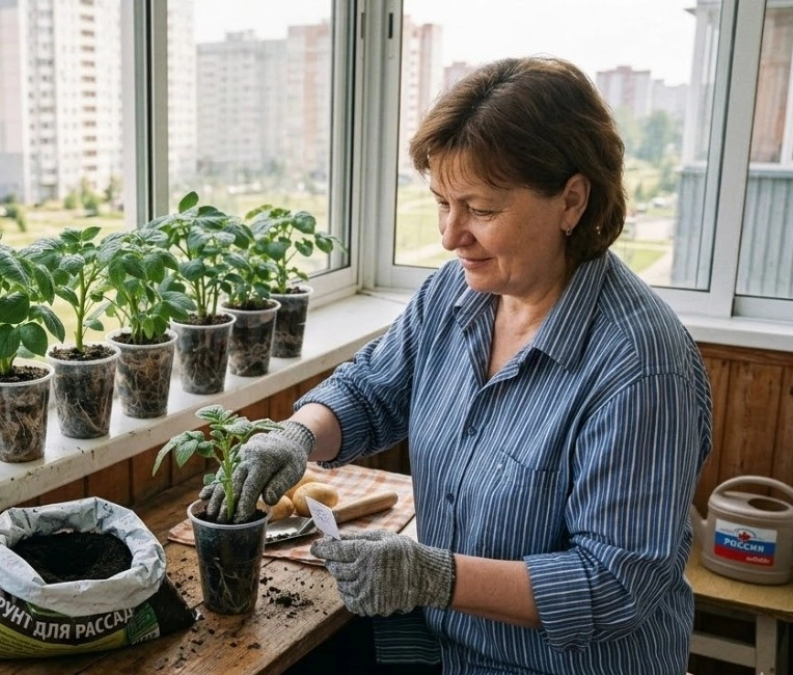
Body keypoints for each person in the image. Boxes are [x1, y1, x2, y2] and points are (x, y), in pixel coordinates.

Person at [203, 56, 712, 674]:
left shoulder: (640, 368)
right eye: (442, 203)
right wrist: (298, 433)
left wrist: (434, 576)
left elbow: (613, 585)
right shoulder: (455, 293)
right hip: (446, 645)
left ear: (572, 201)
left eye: (482, 210)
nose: (450, 235)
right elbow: (371, 389)